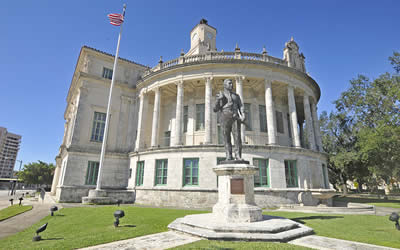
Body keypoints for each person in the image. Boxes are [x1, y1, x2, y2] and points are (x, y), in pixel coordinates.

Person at [213, 79, 246, 161]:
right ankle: (229, 155)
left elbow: (241, 106)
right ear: (225, 85)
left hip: (235, 117)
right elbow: (215, 109)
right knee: (226, 137)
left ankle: (238, 155)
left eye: (232, 83)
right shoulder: (221, 95)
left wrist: (243, 114)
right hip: (225, 117)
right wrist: (218, 100)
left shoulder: (236, 96)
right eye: (229, 83)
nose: (232, 85)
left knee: (237, 137)